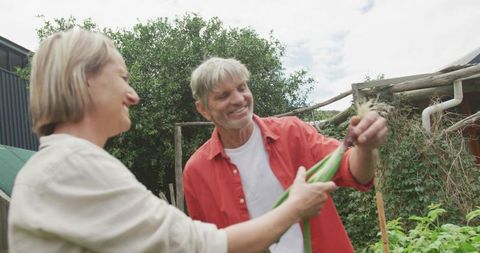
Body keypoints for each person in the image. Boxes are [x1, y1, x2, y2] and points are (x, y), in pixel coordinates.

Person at [8, 29, 337, 253]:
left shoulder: (61, 166)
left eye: (242, 88)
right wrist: (295, 207)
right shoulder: (73, 166)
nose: (133, 96)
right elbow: (194, 244)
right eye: (123, 77)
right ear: (84, 81)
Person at [184, 57, 388, 252]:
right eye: (223, 95)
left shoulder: (292, 132)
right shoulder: (197, 171)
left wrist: (365, 148)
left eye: (242, 87)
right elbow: (207, 245)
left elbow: (354, 172)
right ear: (203, 109)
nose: (238, 99)